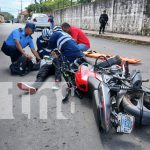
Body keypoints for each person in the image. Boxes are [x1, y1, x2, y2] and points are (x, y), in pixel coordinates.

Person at [17, 27, 84, 93]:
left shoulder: (63, 45)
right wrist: (48, 57)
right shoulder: (54, 42)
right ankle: (34, 86)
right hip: (52, 64)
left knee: (56, 61)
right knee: (44, 69)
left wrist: (54, 56)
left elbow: (60, 57)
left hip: (59, 66)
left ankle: (57, 82)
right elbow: (47, 53)